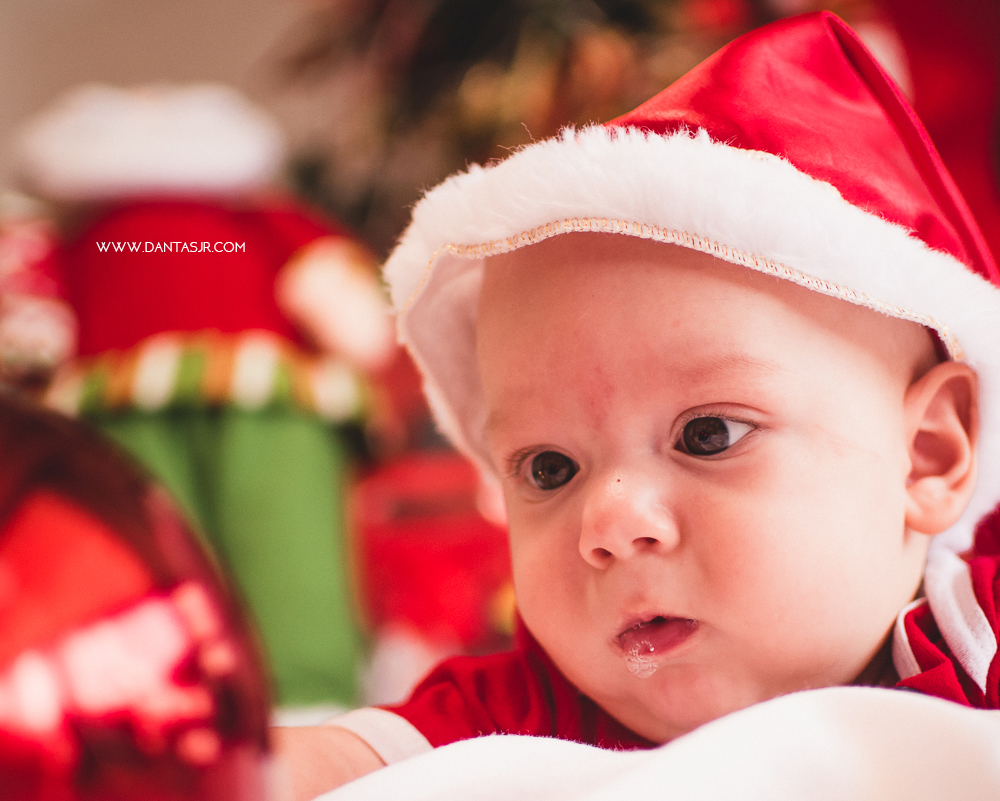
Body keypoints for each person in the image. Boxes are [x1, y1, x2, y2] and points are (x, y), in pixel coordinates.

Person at [272, 11, 1000, 799]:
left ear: (926, 453)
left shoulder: (978, 632)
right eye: (549, 468)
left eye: (707, 434)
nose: (609, 524)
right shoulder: (530, 713)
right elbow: (327, 763)